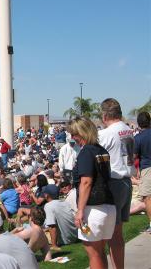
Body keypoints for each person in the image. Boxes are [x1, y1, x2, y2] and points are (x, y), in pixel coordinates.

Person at [68, 116, 116, 269]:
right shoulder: (101, 150)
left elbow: (86, 182)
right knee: (100, 252)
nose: (73, 138)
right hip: (108, 206)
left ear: (82, 133)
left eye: (74, 134)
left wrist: (80, 210)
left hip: (94, 208)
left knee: (93, 253)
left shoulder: (86, 152)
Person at [98, 98, 134, 269]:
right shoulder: (127, 130)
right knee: (117, 235)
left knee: (105, 236)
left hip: (114, 183)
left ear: (105, 115)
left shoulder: (106, 134)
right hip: (126, 181)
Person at [42, 184, 78, 249]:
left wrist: (54, 245)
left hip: (64, 240)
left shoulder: (48, 206)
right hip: (74, 237)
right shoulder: (65, 202)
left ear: (46, 195)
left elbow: (52, 226)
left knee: (35, 233)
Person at [134, 111, 151, 233]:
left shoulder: (138, 138)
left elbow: (134, 155)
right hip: (145, 167)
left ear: (139, 123)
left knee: (148, 198)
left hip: (147, 168)